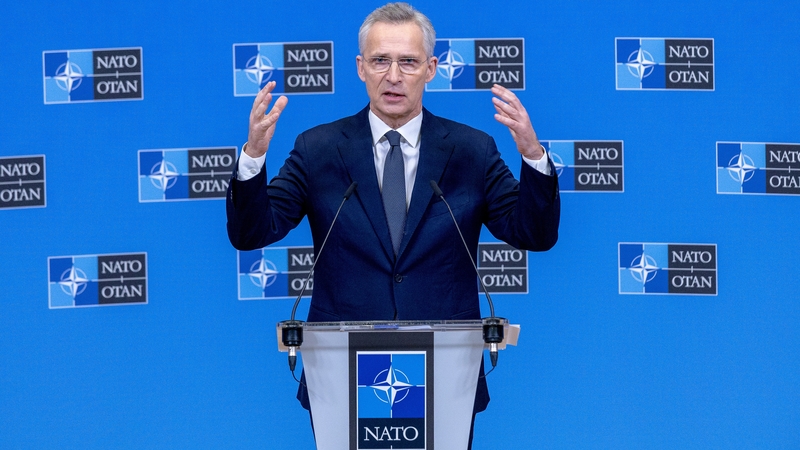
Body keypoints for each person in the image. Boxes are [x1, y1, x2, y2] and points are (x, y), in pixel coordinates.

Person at [226, 2, 560, 446]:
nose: (394, 75)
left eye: (408, 61)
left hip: (445, 369)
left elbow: (534, 234)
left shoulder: (471, 150)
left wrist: (534, 157)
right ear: (361, 68)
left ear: (432, 69)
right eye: (381, 60)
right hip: (342, 369)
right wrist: (253, 156)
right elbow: (252, 233)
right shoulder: (319, 149)